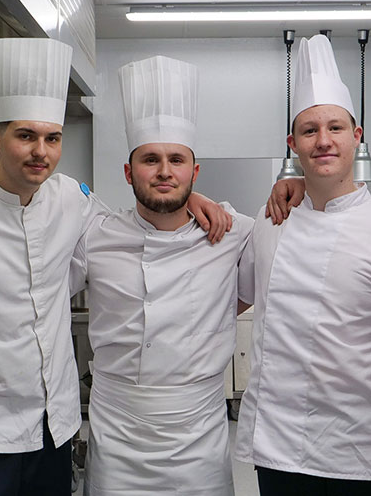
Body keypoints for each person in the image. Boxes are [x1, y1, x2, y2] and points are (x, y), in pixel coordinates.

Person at [0, 40, 230, 496]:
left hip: (54, 430)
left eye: (52, 138)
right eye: (25, 135)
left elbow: (131, 224)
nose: (39, 152)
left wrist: (188, 199)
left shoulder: (70, 198)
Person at [234, 34, 371, 495]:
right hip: (275, 450)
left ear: (356, 137)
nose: (323, 141)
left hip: (357, 455)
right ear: (293, 143)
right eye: (310, 131)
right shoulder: (271, 220)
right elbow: (239, 294)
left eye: (335, 128)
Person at [71, 55, 253, 496]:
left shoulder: (235, 232)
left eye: (177, 159)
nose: (165, 171)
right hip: (117, 431)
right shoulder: (94, 234)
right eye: (150, 159)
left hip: (198, 437)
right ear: (129, 172)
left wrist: (300, 184)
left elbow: (246, 292)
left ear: (195, 171)